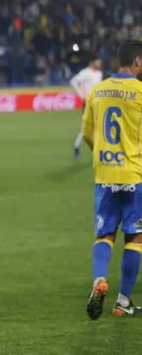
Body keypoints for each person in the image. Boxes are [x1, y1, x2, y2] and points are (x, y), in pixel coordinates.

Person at [84, 40, 142, 319]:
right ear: (138, 61)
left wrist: (106, 155)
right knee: (136, 236)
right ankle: (122, 302)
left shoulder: (97, 90)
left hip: (105, 174)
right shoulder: (141, 92)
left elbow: (87, 133)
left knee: (105, 233)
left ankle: (98, 281)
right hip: (134, 175)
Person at [71, 54, 104, 159]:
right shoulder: (85, 73)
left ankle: (79, 146)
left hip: (98, 102)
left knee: (95, 126)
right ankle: (95, 149)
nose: (100, 63)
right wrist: (81, 94)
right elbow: (73, 81)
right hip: (89, 103)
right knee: (90, 126)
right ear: (92, 62)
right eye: (98, 61)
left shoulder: (99, 73)